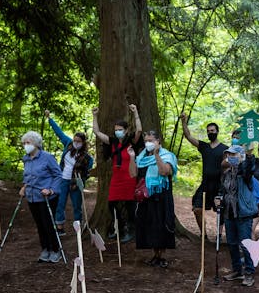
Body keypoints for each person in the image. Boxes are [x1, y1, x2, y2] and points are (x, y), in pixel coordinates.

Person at [92, 104, 143, 243]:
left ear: (126, 130)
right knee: (112, 203)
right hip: (116, 178)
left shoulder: (131, 141)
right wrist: (95, 115)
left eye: (120, 130)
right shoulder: (112, 141)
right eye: (116, 130)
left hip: (129, 177)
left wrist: (135, 112)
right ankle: (119, 229)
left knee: (129, 205)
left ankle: (130, 230)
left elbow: (139, 129)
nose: (117, 132)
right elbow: (96, 132)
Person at [127, 131, 178, 268]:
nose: (148, 143)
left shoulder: (167, 156)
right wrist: (132, 158)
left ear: (158, 141)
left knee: (161, 225)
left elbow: (164, 172)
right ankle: (155, 255)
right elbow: (133, 173)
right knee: (149, 225)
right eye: (146, 141)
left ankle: (161, 256)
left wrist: (156, 155)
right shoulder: (142, 157)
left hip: (161, 196)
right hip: (146, 197)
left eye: (151, 140)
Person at [46, 110, 94, 236]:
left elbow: (87, 172)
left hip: (75, 183)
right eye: (75, 140)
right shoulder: (68, 145)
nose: (76, 142)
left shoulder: (87, 158)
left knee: (77, 205)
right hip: (63, 179)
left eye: (79, 141)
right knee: (60, 203)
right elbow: (59, 132)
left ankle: (78, 228)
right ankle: (60, 227)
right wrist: (50, 119)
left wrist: (81, 181)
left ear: (83, 143)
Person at [216, 145, 258, 286]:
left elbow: (249, 168)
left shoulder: (244, 174)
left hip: (243, 214)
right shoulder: (227, 173)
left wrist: (249, 155)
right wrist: (219, 198)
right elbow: (223, 189)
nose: (231, 157)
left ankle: (249, 273)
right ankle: (237, 270)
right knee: (232, 243)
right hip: (229, 213)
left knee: (245, 244)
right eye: (229, 155)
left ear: (240, 156)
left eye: (234, 155)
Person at [19, 131, 64, 263]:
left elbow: (58, 175)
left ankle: (55, 250)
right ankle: (45, 249)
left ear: (36, 144)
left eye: (28, 143)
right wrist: (24, 187)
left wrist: (51, 190)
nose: (26, 145)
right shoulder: (26, 158)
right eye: (24, 143)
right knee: (39, 225)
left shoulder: (47, 157)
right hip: (32, 197)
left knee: (48, 224)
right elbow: (27, 177)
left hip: (47, 198)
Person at [180, 113, 228, 236]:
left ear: (217, 131)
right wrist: (184, 121)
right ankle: (203, 234)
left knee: (222, 211)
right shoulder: (204, 146)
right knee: (197, 209)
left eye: (212, 130)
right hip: (205, 184)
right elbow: (188, 136)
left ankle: (220, 235)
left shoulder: (225, 149)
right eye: (208, 131)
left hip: (219, 185)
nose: (210, 133)